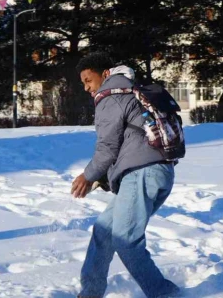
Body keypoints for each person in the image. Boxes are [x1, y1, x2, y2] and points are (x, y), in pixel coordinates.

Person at [72, 53, 180, 298]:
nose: (87, 88)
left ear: (106, 74)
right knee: (104, 231)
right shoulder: (130, 91)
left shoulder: (111, 96)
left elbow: (107, 147)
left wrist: (88, 176)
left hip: (142, 174)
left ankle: (166, 294)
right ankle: (90, 293)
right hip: (155, 171)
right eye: (83, 83)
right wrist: (101, 177)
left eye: (88, 80)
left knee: (125, 240)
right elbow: (127, 144)